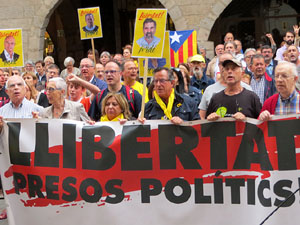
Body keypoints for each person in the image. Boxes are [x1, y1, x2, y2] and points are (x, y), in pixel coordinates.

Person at [199, 53, 253, 120]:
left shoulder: (249, 91)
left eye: (233, 68)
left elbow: (258, 120)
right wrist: (210, 118)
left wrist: (245, 119)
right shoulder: (212, 92)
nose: (229, 70)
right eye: (223, 64)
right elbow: (202, 117)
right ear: (219, 66)